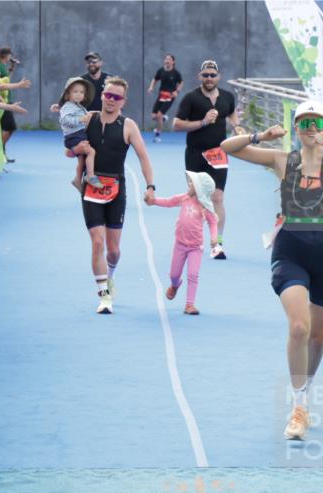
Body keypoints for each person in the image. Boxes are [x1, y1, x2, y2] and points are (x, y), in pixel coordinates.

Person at [221, 100, 323, 440]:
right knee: (299, 326)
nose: (311, 129)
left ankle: (305, 396)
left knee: (318, 336)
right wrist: (261, 135)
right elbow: (228, 148)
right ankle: (297, 407)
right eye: (304, 123)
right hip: (291, 249)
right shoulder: (283, 160)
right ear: (296, 128)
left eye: (317, 123)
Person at [77, 76, 155, 315]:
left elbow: (143, 157)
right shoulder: (87, 118)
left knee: (113, 249)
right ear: (102, 95)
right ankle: (103, 295)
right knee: (97, 241)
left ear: (123, 101)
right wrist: (74, 150)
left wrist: (151, 185)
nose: (111, 100)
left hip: (115, 189)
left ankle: (110, 275)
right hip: (91, 186)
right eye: (108, 95)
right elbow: (69, 147)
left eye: (116, 97)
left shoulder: (128, 125)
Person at [173, 59, 239, 260]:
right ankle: (190, 238)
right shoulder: (191, 98)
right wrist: (202, 122)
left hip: (218, 153)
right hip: (195, 154)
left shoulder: (227, 97)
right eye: (205, 75)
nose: (209, 78)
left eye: (212, 75)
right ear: (199, 77)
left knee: (217, 197)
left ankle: (217, 243)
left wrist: (238, 127)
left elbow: (233, 116)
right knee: (196, 199)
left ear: (218, 77)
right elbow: (176, 124)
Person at [150, 171, 218, 315]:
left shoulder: (205, 206)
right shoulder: (184, 198)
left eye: (192, 183)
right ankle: (175, 285)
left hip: (195, 247)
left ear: (200, 189)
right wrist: (154, 201)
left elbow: (213, 223)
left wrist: (214, 238)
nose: (189, 184)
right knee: (174, 274)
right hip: (180, 245)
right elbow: (169, 202)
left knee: (193, 274)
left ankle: (189, 304)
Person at [58, 77, 103, 192]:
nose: (79, 94)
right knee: (91, 151)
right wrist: (80, 119)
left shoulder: (77, 106)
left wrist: (98, 113)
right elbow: (65, 120)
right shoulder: (68, 105)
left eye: (81, 92)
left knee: (82, 159)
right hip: (74, 136)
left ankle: (77, 180)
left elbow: (86, 114)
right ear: (68, 94)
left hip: (77, 135)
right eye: (75, 91)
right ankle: (90, 175)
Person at [147, 54, 183, 143]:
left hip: (170, 97)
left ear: (173, 62)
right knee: (153, 116)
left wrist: (176, 91)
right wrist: (151, 87)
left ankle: (157, 135)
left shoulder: (176, 73)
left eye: (169, 59)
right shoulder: (161, 71)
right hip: (161, 96)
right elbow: (154, 79)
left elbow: (181, 82)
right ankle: (162, 119)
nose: (167, 60)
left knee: (159, 115)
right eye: (166, 59)